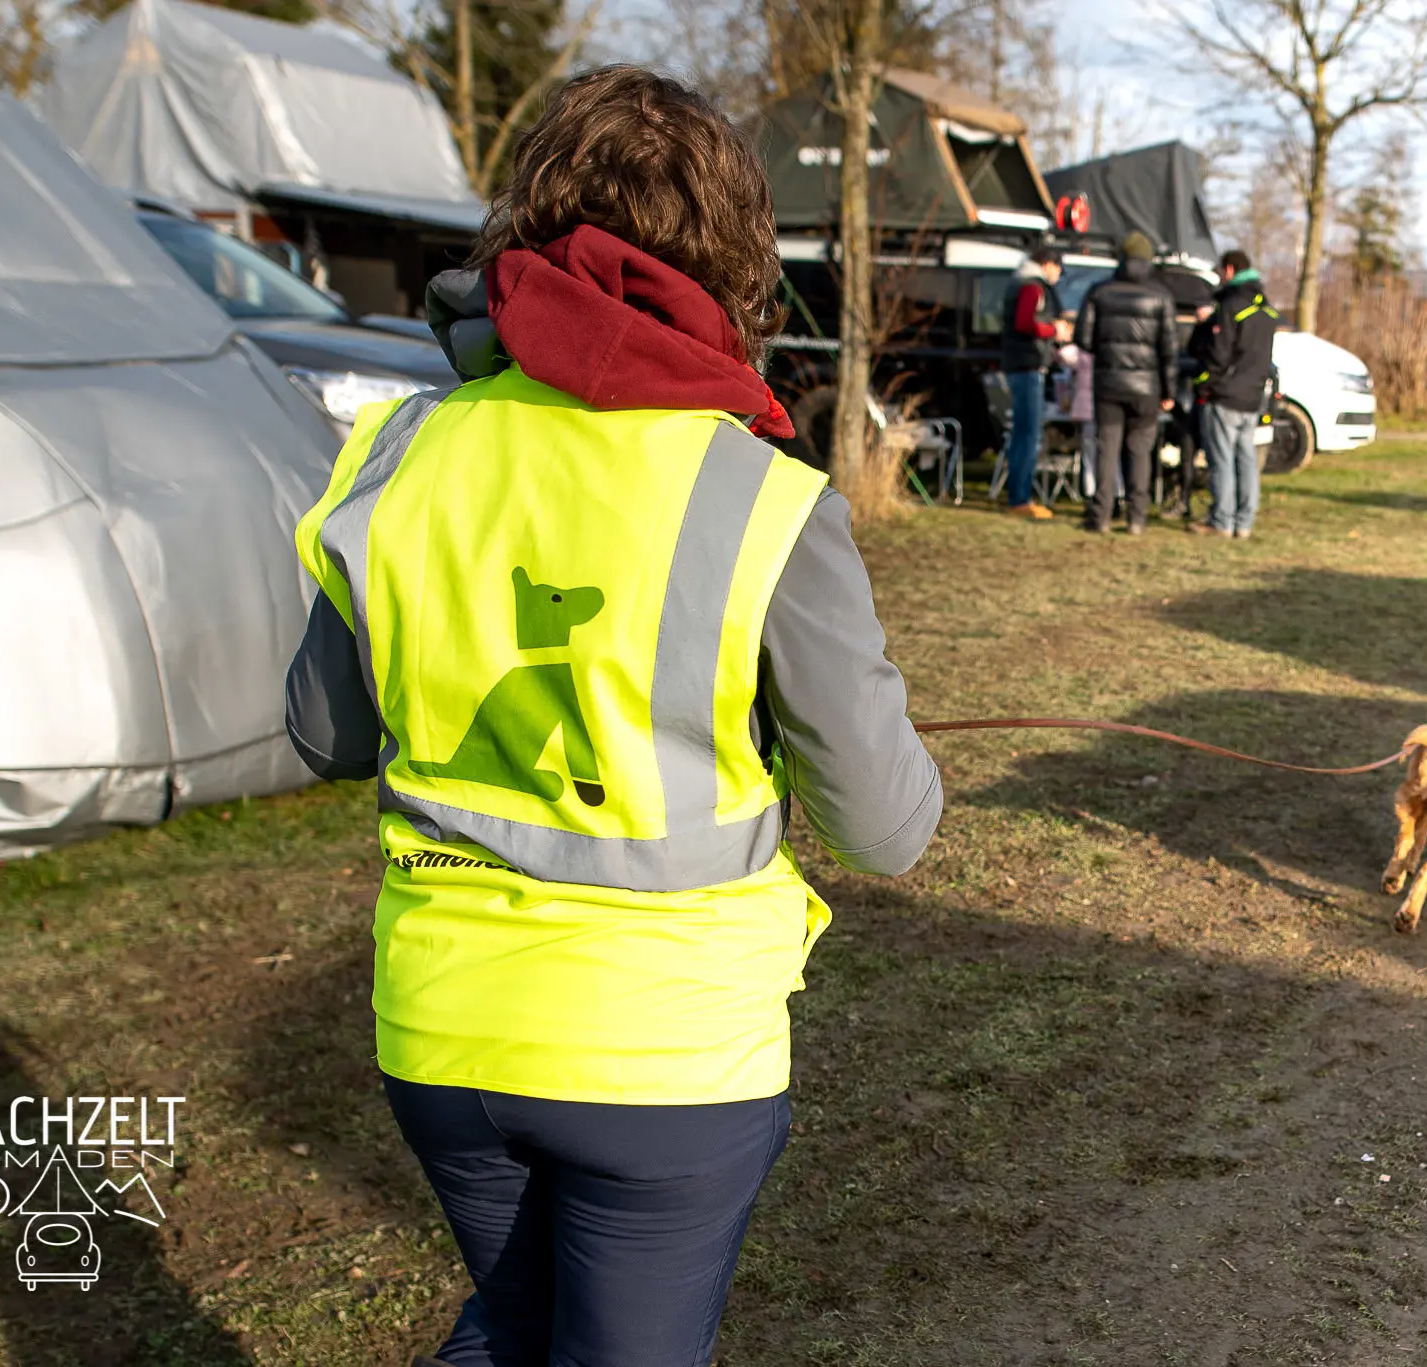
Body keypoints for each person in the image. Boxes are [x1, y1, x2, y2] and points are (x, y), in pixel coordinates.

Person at [284, 65, 943, 1367]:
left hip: (442, 1025)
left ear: (523, 227)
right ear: (736, 263)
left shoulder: (401, 453)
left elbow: (328, 732)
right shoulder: (762, 495)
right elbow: (886, 825)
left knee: (516, 1325)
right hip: (667, 1053)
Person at [1074, 231, 1177, 535]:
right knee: (1140, 451)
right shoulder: (1161, 296)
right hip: (1147, 388)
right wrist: (1169, 391)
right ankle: (1137, 516)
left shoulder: (1099, 292)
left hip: (1108, 385)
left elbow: (1083, 339)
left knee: (1107, 449)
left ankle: (1102, 514)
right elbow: (1169, 350)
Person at [1190, 248, 1280, 539]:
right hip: (1252, 397)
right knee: (1247, 460)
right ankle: (1244, 522)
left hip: (1225, 396)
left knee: (1222, 460)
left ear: (1229, 270)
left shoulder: (1231, 306)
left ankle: (1221, 520)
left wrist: (1204, 382)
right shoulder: (1265, 308)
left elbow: (1219, 353)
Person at [999, 244, 1071, 519]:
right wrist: (1054, 330)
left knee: (1022, 433)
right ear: (1047, 264)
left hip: (1021, 364)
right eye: (1058, 267)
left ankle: (1018, 495)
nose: (1058, 273)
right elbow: (1024, 323)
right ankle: (1020, 499)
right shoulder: (1032, 287)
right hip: (1027, 366)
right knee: (1029, 434)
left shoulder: (1020, 282)